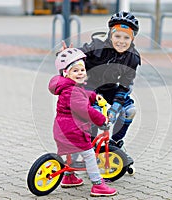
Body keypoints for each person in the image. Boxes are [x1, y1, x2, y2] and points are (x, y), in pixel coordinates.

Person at [48, 48, 117, 197]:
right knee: (89, 155)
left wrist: (93, 96)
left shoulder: (69, 87)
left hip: (64, 129)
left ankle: (69, 177)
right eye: (75, 71)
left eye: (82, 69)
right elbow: (85, 110)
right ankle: (98, 184)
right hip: (74, 131)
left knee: (72, 153)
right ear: (66, 73)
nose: (80, 73)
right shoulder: (71, 91)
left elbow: (81, 95)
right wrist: (102, 120)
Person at [80, 11, 141, 149]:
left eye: (126, 37)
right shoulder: (97, 47)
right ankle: (91, 145)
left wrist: (115, 108)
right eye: (117, 36)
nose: (121, 41)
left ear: (132, 39)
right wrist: (65, 54)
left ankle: (115, 143)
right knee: (95, 112)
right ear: (110, 35)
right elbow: (76, 55)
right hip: (89, 85)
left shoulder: (132, 58)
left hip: (109, 87)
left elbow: (125, 85)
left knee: (129, 110)